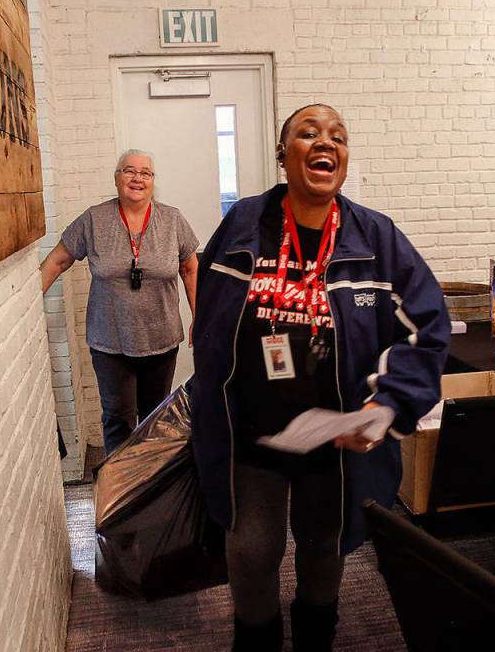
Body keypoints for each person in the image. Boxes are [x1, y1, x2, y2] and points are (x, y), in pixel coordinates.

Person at [191, 105, 450, 651]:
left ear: (345, 160)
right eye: (307, 133)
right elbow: (208, 316)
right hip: (251, 438)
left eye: (338, 137)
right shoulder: (243, 224)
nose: (324, 143)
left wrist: (386, 409)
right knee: (252, 556)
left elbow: (428, 326)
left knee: (323, 554)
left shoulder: (375, 238)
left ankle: (316, 642)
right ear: (284, 155)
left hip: (336, 444)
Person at [41, 149, 199, 454]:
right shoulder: (94, 219)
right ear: (116, 179)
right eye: (129, 171)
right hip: (109, 342)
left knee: (155, 420)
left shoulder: (172, 219)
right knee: (118, 420)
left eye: (145, 173)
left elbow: (190, 267)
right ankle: (119, 491)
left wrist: (199, 315)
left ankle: (150, 486)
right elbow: (58, 261)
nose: (137, 178)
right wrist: (29, 303)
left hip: (161, 339)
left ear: (153, 181)